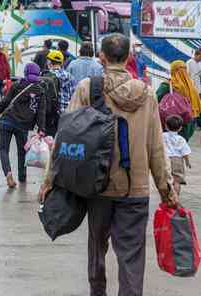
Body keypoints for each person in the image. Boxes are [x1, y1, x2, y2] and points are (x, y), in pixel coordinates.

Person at [39, 33, 178, 296]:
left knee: (97, 247)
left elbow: (65, 137)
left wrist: (49, 180)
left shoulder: (87, 88)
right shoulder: (147, 94)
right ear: (129, 57)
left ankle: (97, 292)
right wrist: (166, 190)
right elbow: (157, 147)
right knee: (132, 254)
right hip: (135, 189)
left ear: (101, 57)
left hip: (97, 185)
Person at [0, 63, 47, 188]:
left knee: (3, 149)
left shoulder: (17, 85)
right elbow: (41, 112)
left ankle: (8, 173)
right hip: (23, 125)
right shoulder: (40, 90)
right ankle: (22, 178)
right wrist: (41, 129)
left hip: (7, 120)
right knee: (22, 152)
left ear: (26, 72)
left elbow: (5, 101)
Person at [156, 61, 201, 142]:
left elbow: (154, 101)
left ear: (172, 70)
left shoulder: (167, 85)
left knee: (169, 150)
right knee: (181, 149)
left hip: (170, 125)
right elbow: (200, 110)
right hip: (188, 127)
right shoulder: (192, 88)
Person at [164, 115, 192, 195]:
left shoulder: (162, 136)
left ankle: (167, 197)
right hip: (177, 160)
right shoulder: (181, 139)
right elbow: (185, 152)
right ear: (180, 128)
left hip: (165, 159)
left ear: (166, 126)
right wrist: (187, 162)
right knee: (177, 180)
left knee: (167, 180)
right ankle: (176, 197)